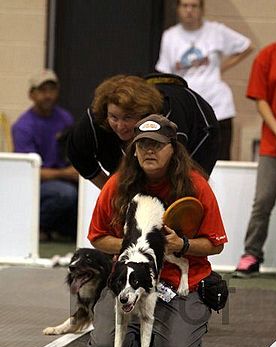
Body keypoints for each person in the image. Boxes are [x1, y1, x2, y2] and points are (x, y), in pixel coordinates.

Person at [87, 114, 227, 347]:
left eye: (157, 145)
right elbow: (97, 238)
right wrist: (138, 246)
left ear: (173, 149)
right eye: (142, 145)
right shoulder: (117, 185)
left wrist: (180, 245)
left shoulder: (196, 186)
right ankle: (138, 329)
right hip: (130, 278)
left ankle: (172, 327)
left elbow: (216, 244)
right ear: (134, 150)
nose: (149, 151)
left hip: (180, 282)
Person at [235, 0, 276, 277]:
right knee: (263, 201)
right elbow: (261, 101)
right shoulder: (268, 56)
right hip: (275, 143)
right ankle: (251, 255)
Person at [67, 72, 220, 188]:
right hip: (127, 141)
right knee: (124, 193)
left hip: (202, 132)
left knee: (182, 192)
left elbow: (168, 177)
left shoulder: (168, 123)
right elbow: (77, 154)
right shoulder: (95, 118)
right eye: (114, 117)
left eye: (127, 118)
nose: (120, 126)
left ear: (145, 115)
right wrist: (109, 190)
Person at [155, 0, 254, 160]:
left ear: (201, 9)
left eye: (194, 6)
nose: (189, 11)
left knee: (219, 159)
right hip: (187, 105)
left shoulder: (216, 31)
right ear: (178, 8)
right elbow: (165, 71)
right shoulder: (170, 36)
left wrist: (221, 68)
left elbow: (246, 46)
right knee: (184, 158)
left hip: (218, 105)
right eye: (185, 6)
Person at [12, 69, 78, 241]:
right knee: (66, 194)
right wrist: (67, 174)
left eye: (52, 90)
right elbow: (29, 171)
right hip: (37, 183)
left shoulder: (65, 118)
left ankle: (55, 229)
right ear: (31, 94)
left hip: (64, 178)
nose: (48, 95)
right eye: (42, 91)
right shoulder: (23, 127)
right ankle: (29, 228)